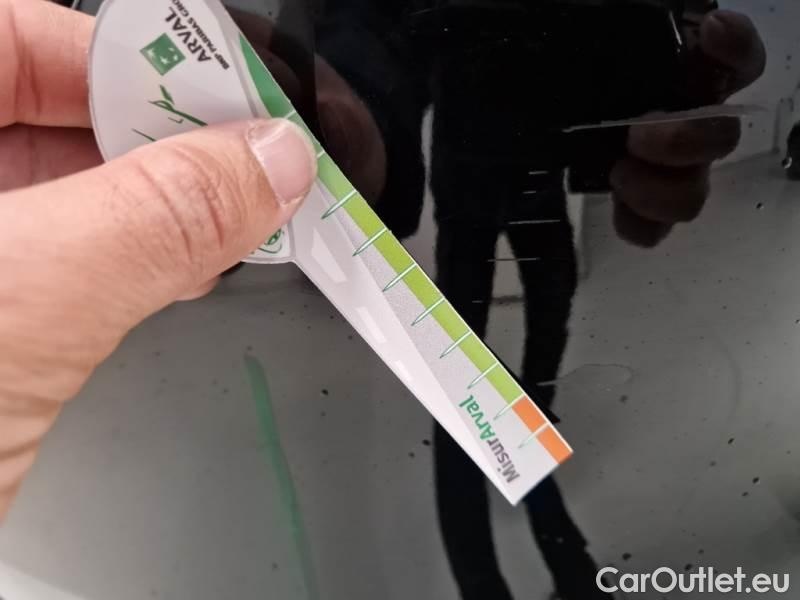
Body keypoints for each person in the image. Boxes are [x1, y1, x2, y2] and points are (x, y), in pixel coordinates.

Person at [0, 1, 764, 598]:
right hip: (465, 199)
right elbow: (371, 57)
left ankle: (536, 489)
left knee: (534, 340)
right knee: (461, 383)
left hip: (531, 187)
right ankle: (490, 555)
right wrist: (347, 132)